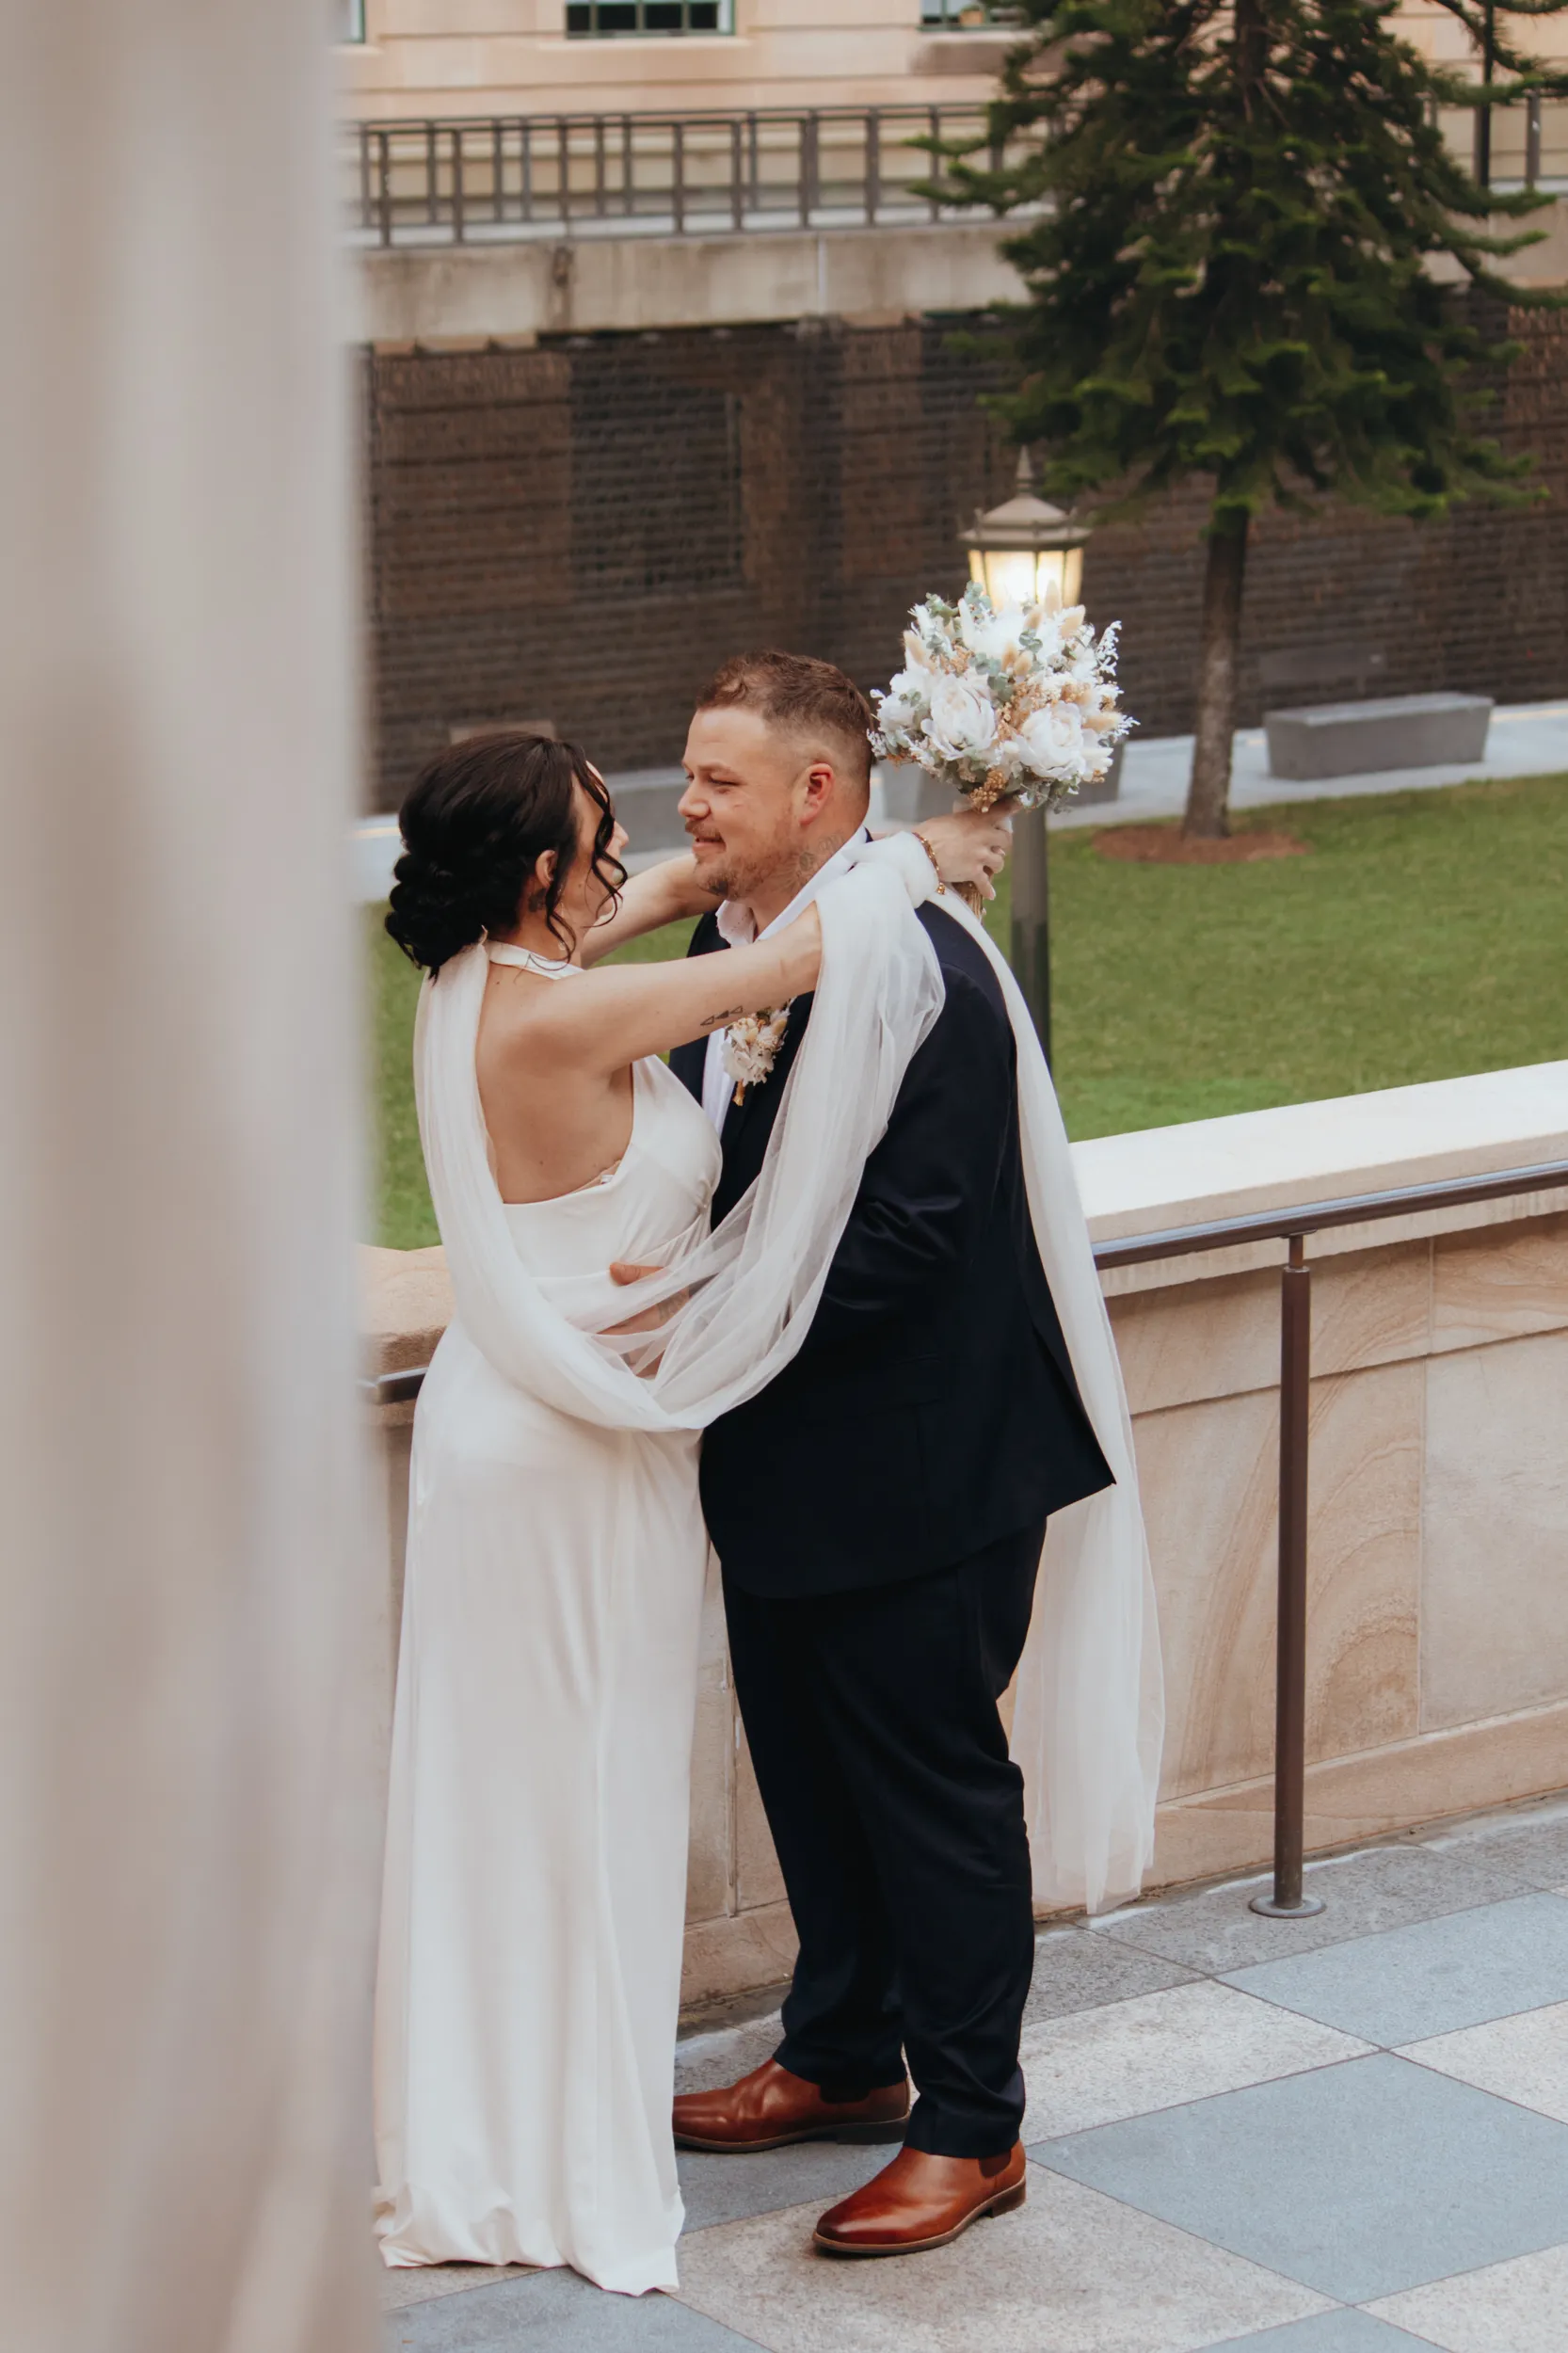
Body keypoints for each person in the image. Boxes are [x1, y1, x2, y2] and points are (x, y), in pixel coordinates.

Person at [370, 729, 1010, 2295]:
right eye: (604, 839)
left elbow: (671, 901)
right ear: (540, 875)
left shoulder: (485, 982)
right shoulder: (572, 1015)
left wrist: (704, 868)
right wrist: (931, 851)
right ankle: (543, 2150)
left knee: (522, 1795)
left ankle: (512, 2119)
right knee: (572, 1797)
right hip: (567, 1470)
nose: (636, 856)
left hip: (525, 1440)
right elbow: (778, 967)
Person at [645, 652, 1155, 2259]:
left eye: (717, 780)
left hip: (921, 1474)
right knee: (805, 1773)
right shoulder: (738, 954)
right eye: (686, 773)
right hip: (779, 1462)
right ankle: (843, 2052)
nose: (688, 804)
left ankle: (972, 2129)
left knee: (933, 1797)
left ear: (817, 793)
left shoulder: (922, 963)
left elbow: (908, 1243)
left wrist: (684, 1331)